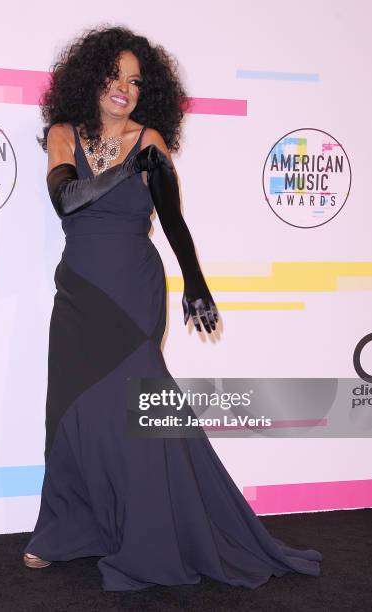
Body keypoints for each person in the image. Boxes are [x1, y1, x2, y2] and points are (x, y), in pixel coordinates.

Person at [23, 25, 322, 591]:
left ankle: (151, 532)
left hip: (133, 290)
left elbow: (175, 221)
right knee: (70, 413)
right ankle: (65, 531)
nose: (124, 89)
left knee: (138, 411)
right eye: (114, 76)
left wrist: (197, 284)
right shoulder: (65, 134)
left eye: (135, 82)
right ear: (92, 78)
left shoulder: (151, 140)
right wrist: (124, 170)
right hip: (81, 291)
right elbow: (66, 200)